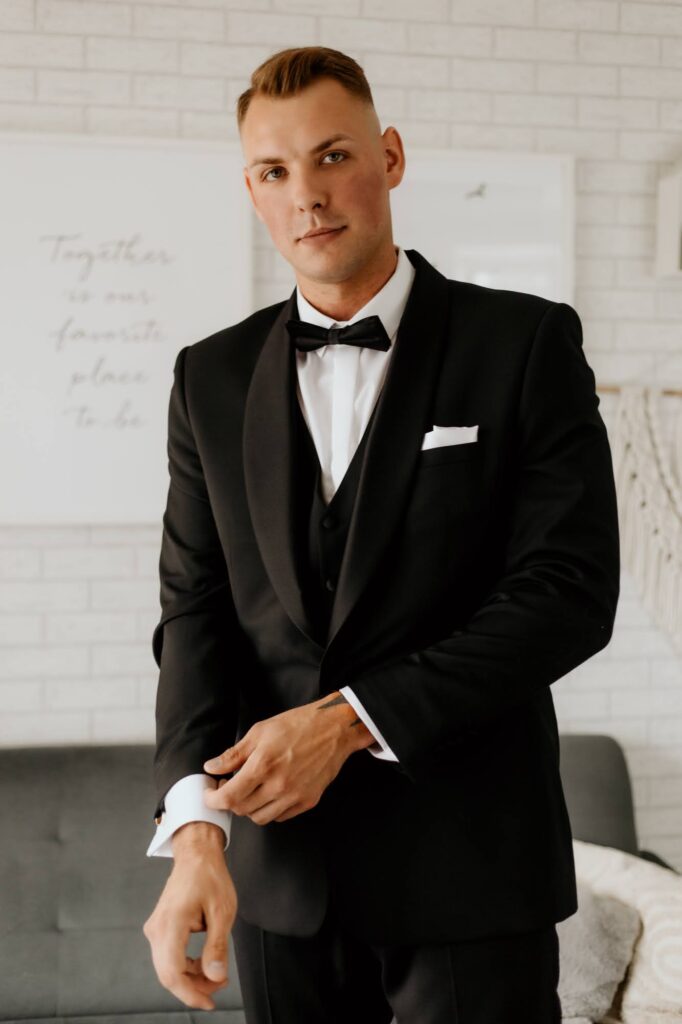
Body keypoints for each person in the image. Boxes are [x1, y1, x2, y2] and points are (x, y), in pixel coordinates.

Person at [142, 45, 620, 1024]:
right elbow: (194, 618)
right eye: (275, 171)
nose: (307, 195)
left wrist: (348, 721)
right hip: (279, 886)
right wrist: (195, 831)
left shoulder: (524, 343)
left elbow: (567, 592)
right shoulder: (209, 378)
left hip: (472, 873)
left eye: (333, 156)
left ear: (390, 157)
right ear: (251, 190)